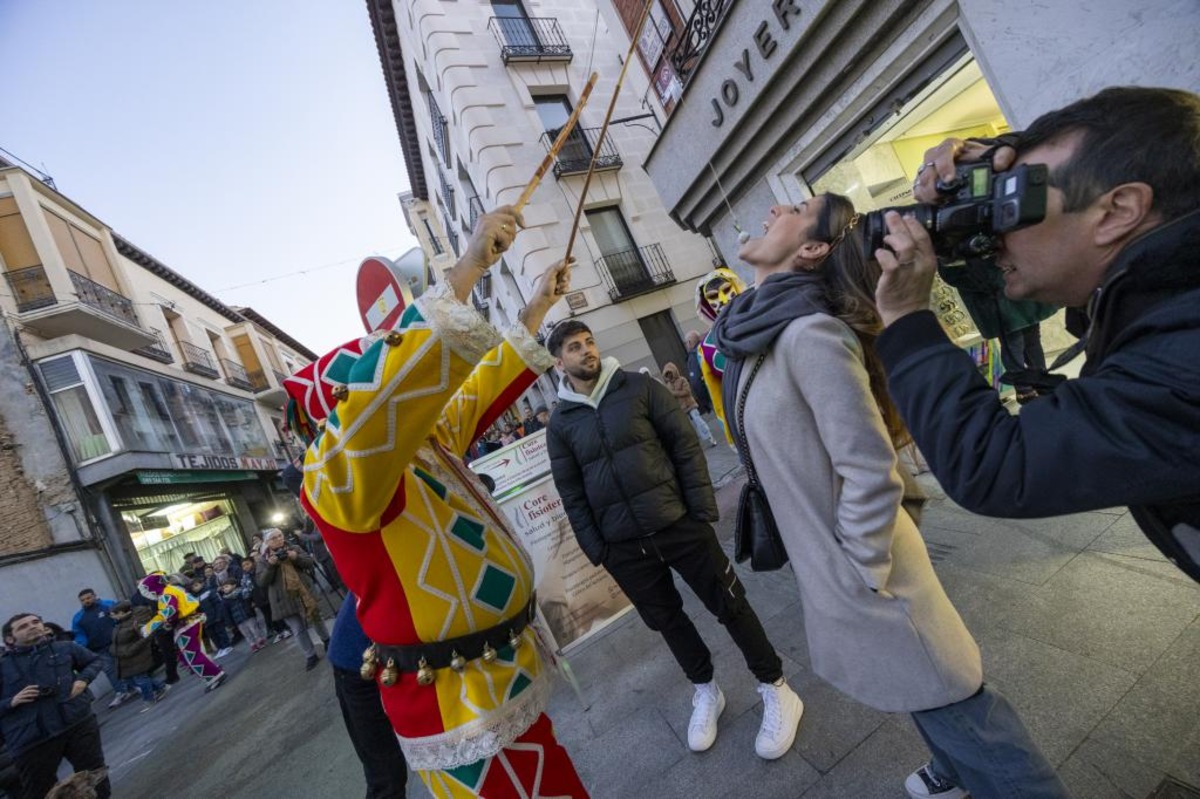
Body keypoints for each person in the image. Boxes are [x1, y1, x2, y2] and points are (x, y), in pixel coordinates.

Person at [715, 190, 1068, 799]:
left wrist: (860, 568)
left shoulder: (808, 333)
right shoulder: (761, 332)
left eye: (794, 210)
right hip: (839, 565)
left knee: (957, 700)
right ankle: (953, 773)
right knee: (918, 685)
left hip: (868, 567)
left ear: (812, 248)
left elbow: (870, 468)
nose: (773, 210)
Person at [295, 206, 587, 797]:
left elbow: (479, 389)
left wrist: (535, 307)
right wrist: (466, 268)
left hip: (500, 677)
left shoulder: (419, 446)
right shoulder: (335, 474)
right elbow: (391, 388)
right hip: (457, 705)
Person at [875, 85, 1200, 585]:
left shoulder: (1182, 354)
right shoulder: (1164, 296)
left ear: (1118, 211)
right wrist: (1005, 160)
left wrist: (906, 317)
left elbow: (997, 465)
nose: (993, 239)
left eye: (1014, 204)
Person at [545, 321, 803, 760]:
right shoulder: (560, 423)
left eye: (590, 341)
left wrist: (700, 511)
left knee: (730, 604)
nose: (587, 350)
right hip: (624, 547)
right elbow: (571, 493)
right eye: (575, 347)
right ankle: (705, 691)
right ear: (559, 362)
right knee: (668, 621)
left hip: (678, 524)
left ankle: (776, 686)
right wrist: (600, 550)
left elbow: (684, 445)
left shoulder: (638, 388)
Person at [0, 613, 110, 799]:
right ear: (10, 638)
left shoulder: (64, 648)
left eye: (36, 622)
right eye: (23, 626)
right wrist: (11, 701)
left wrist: (83, 679)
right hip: (31, 739)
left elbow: (94, 660)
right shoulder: (3, 666)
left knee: (94, 775)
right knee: (40, 792)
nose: (32, 626)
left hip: (77, 722)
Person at [937, 255, 1058, 403]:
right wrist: (987, 283)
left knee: (1031, 338)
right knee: (1013, 342)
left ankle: (1042, 382)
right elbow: (951, 273)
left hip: (1014, 288)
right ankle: (1025, 390)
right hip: (993, 297)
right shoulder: (950, 245)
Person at [137, 572, 227, 693]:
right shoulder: (172, 589)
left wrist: (148, 628)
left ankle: (214, 675)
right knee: (191, 654)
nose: (149, 594)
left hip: (186, 625)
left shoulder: (165, 594)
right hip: (191, 622)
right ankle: (213, 672)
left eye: (148, 590)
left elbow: (169, 612)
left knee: (192, 655)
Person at [256, 528, 330, 671]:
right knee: (297, 629)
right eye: (274, 538)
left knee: (316, 618)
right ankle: (310, 655)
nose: (278, 539)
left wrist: (295, 557)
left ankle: (327, 641)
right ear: (267, 542)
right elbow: (261, 582)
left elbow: (309, 563)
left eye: (280, 536)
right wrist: (271, 565)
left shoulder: (293, 548)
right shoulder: (263, 560)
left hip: (304, 592)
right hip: (283, 598)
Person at [70, 590, 132, 709]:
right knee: (109, 669)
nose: (86, 601)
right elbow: (79, 634)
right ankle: (121, 692)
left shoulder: (108, 604)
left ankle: (136, 684)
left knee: (125, 664)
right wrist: (82, 645)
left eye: (88, 598)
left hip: (116, 642)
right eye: (83, 600)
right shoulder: (78, 618)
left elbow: (122, 615)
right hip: (97, 649)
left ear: (94, 596)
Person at [107, 602, 168, 713]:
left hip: (137, 655)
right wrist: (113, 649)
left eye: (113, 614)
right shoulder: (119, 623)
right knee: (130, 679)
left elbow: (146, 636)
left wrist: (132, 649)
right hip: (125, 657)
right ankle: (160, 687)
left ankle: (149, 700)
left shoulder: (135, 621)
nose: (112, 617)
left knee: (140, 679)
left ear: (121, 613)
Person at [661, 361, 716, 447]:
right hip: (680, 409)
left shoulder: (682, 380)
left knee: (699, 421)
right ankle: (694, 442)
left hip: (690, 405)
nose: (669, 376)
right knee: (686, 427)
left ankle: (710, 437)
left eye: (670, 373)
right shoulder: (668, 385)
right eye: (667, 374)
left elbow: (687, 392)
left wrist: (674, 393)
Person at [188, 577, 232, 660]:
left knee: (220, 632)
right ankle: (220, 648)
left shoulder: (209, 591)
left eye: (196, 585)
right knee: (212, 635)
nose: (195, 588)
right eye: (193, 587)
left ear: (202, 584)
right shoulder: (195, 597)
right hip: (205, 620)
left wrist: (219, 616)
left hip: (215, 617)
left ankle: (227, 646)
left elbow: (218, 604)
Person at [219, 579, 267, 653]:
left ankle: (260, 640)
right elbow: (226, 613)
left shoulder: (242, 592)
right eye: (223, 588)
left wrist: (252, 606)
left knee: (254, 628)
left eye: (227, 586)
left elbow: (249, 600)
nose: (225, 589)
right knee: (246, 633)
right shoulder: (225, 600)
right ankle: (253, 644)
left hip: (248, 615)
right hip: (238, 620)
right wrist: (230, 623)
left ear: (234, 585)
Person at [683, 330, 713, 415]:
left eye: (686, 343)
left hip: (712, 395)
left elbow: (696, 382)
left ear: (689, 342)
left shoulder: (693, 357)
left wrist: (706, 402)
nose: (686, 345)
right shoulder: (707, 347)